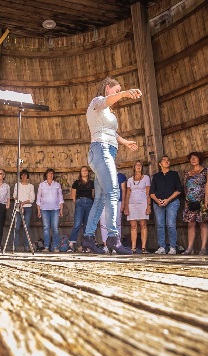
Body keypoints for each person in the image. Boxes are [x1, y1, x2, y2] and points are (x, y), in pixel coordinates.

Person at [82, 76, 141, 255]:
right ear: (108, 88)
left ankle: (88, 238)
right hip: (101, 151)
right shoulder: (98, 102)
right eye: (116, 90)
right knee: (113, 192)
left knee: (100, 198)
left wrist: (125, 142)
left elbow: (113, 133)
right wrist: (124, 94)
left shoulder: (107, 113)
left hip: (108, 152)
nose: (118, 94)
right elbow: (108, 100)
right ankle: (113, 238)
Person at [150, 155, 182, 254]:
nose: (166, 161)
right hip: (158, 203)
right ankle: (162, 247)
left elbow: (179, 190)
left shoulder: (174, 174)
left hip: (172, 202)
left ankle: (172, 247)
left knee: (171, 224)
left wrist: (167, 200)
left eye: (168, 160)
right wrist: (158, 200)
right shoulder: (156, 176)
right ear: (160, 164)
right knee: (160, 225)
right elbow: (151, 193)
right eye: (164, 160)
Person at [182, 152, 208, 254]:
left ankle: (203, 248)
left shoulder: (205, 171)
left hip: (202, 201)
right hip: (190, 202)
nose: (193, 159)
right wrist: (187, 199)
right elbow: (185, 187)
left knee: (203, 223)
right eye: (191, 158)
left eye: (195, 158)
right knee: (191, 224)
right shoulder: (187, 174)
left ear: (199, 159)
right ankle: (190, 248)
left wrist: (206, 199)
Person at [124, 160, 151, 253]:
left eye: (140, 165)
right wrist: (126, 207)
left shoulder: (146, 178)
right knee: (133, 225)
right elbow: (127, 194)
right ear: (134, 167)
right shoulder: (130, 180)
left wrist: (148, 206)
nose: (138, 166)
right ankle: (133, 247)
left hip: (143, 203)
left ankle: (143, 248)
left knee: (143, 224)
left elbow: (148, 193)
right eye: (137, 165)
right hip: (132, 204)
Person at [36, 168, 64, 252]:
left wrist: (61, 209)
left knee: (55, 228)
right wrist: (38, 210)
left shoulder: (57, 185)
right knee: (46, 228)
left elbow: (60, 198)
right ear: (46, 175)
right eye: (49, 174)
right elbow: (38, 199)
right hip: (44, 209)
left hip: (55, 208)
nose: (50, 175)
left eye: (52, 174)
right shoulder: (41, 185)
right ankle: (46, 247)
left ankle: (55, 247)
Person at [68, 166, 94, 252]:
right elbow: (73, 195)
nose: (85, 172)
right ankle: (71, 244)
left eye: (86, 170)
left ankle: (85, 245)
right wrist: (78, 202)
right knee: (77, 223)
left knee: (87, 225)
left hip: (89, 203)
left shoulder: (92, 183)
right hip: (80, 203)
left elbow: (94, 194)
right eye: (83, 171)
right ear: (80, 173)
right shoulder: (76, 183)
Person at [99, 171, 126, 251]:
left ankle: (116, 245)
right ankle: (105, 245)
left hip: (117, 202)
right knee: (103, 223)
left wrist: (123, 203)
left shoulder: (120, 176)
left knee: (117, 223)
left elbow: (124, 190)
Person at [12, 169, 35, 251]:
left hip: (27, 207)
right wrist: (20, 203)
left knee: (26, 227)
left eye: (25, 175)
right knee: (17, 227)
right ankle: (14, 245)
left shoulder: (31, 186)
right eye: (22, 175)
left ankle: (27, 246)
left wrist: (24, 202)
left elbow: (32, 198)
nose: (24, 176)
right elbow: (14, 195)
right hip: (18, 206)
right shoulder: (17, 185)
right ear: (21, 176)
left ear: (27, 177)